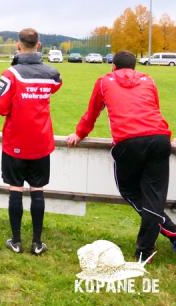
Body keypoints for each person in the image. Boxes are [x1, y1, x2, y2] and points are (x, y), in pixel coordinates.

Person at [67, 50, 176, 261]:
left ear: (113, 66)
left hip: (129, 140)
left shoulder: (104, 82)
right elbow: (154, 109)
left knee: (128, 190)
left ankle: (167, 234)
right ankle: (147, 248)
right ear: (135, 67)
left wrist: (79, 133)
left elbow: (92, 113)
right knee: (154, 197)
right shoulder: (148, 80)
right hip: (159, 138)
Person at [0, 28, 62, 256]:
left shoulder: (11, 74)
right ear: (39, 45)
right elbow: (56, 85)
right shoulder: (51, 73)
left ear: (17, 45)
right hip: (41, 142)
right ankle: (37, 243)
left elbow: (0, 107)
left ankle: (16, 241)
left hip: (15, 141)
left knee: (15, 189)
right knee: (37, 190)